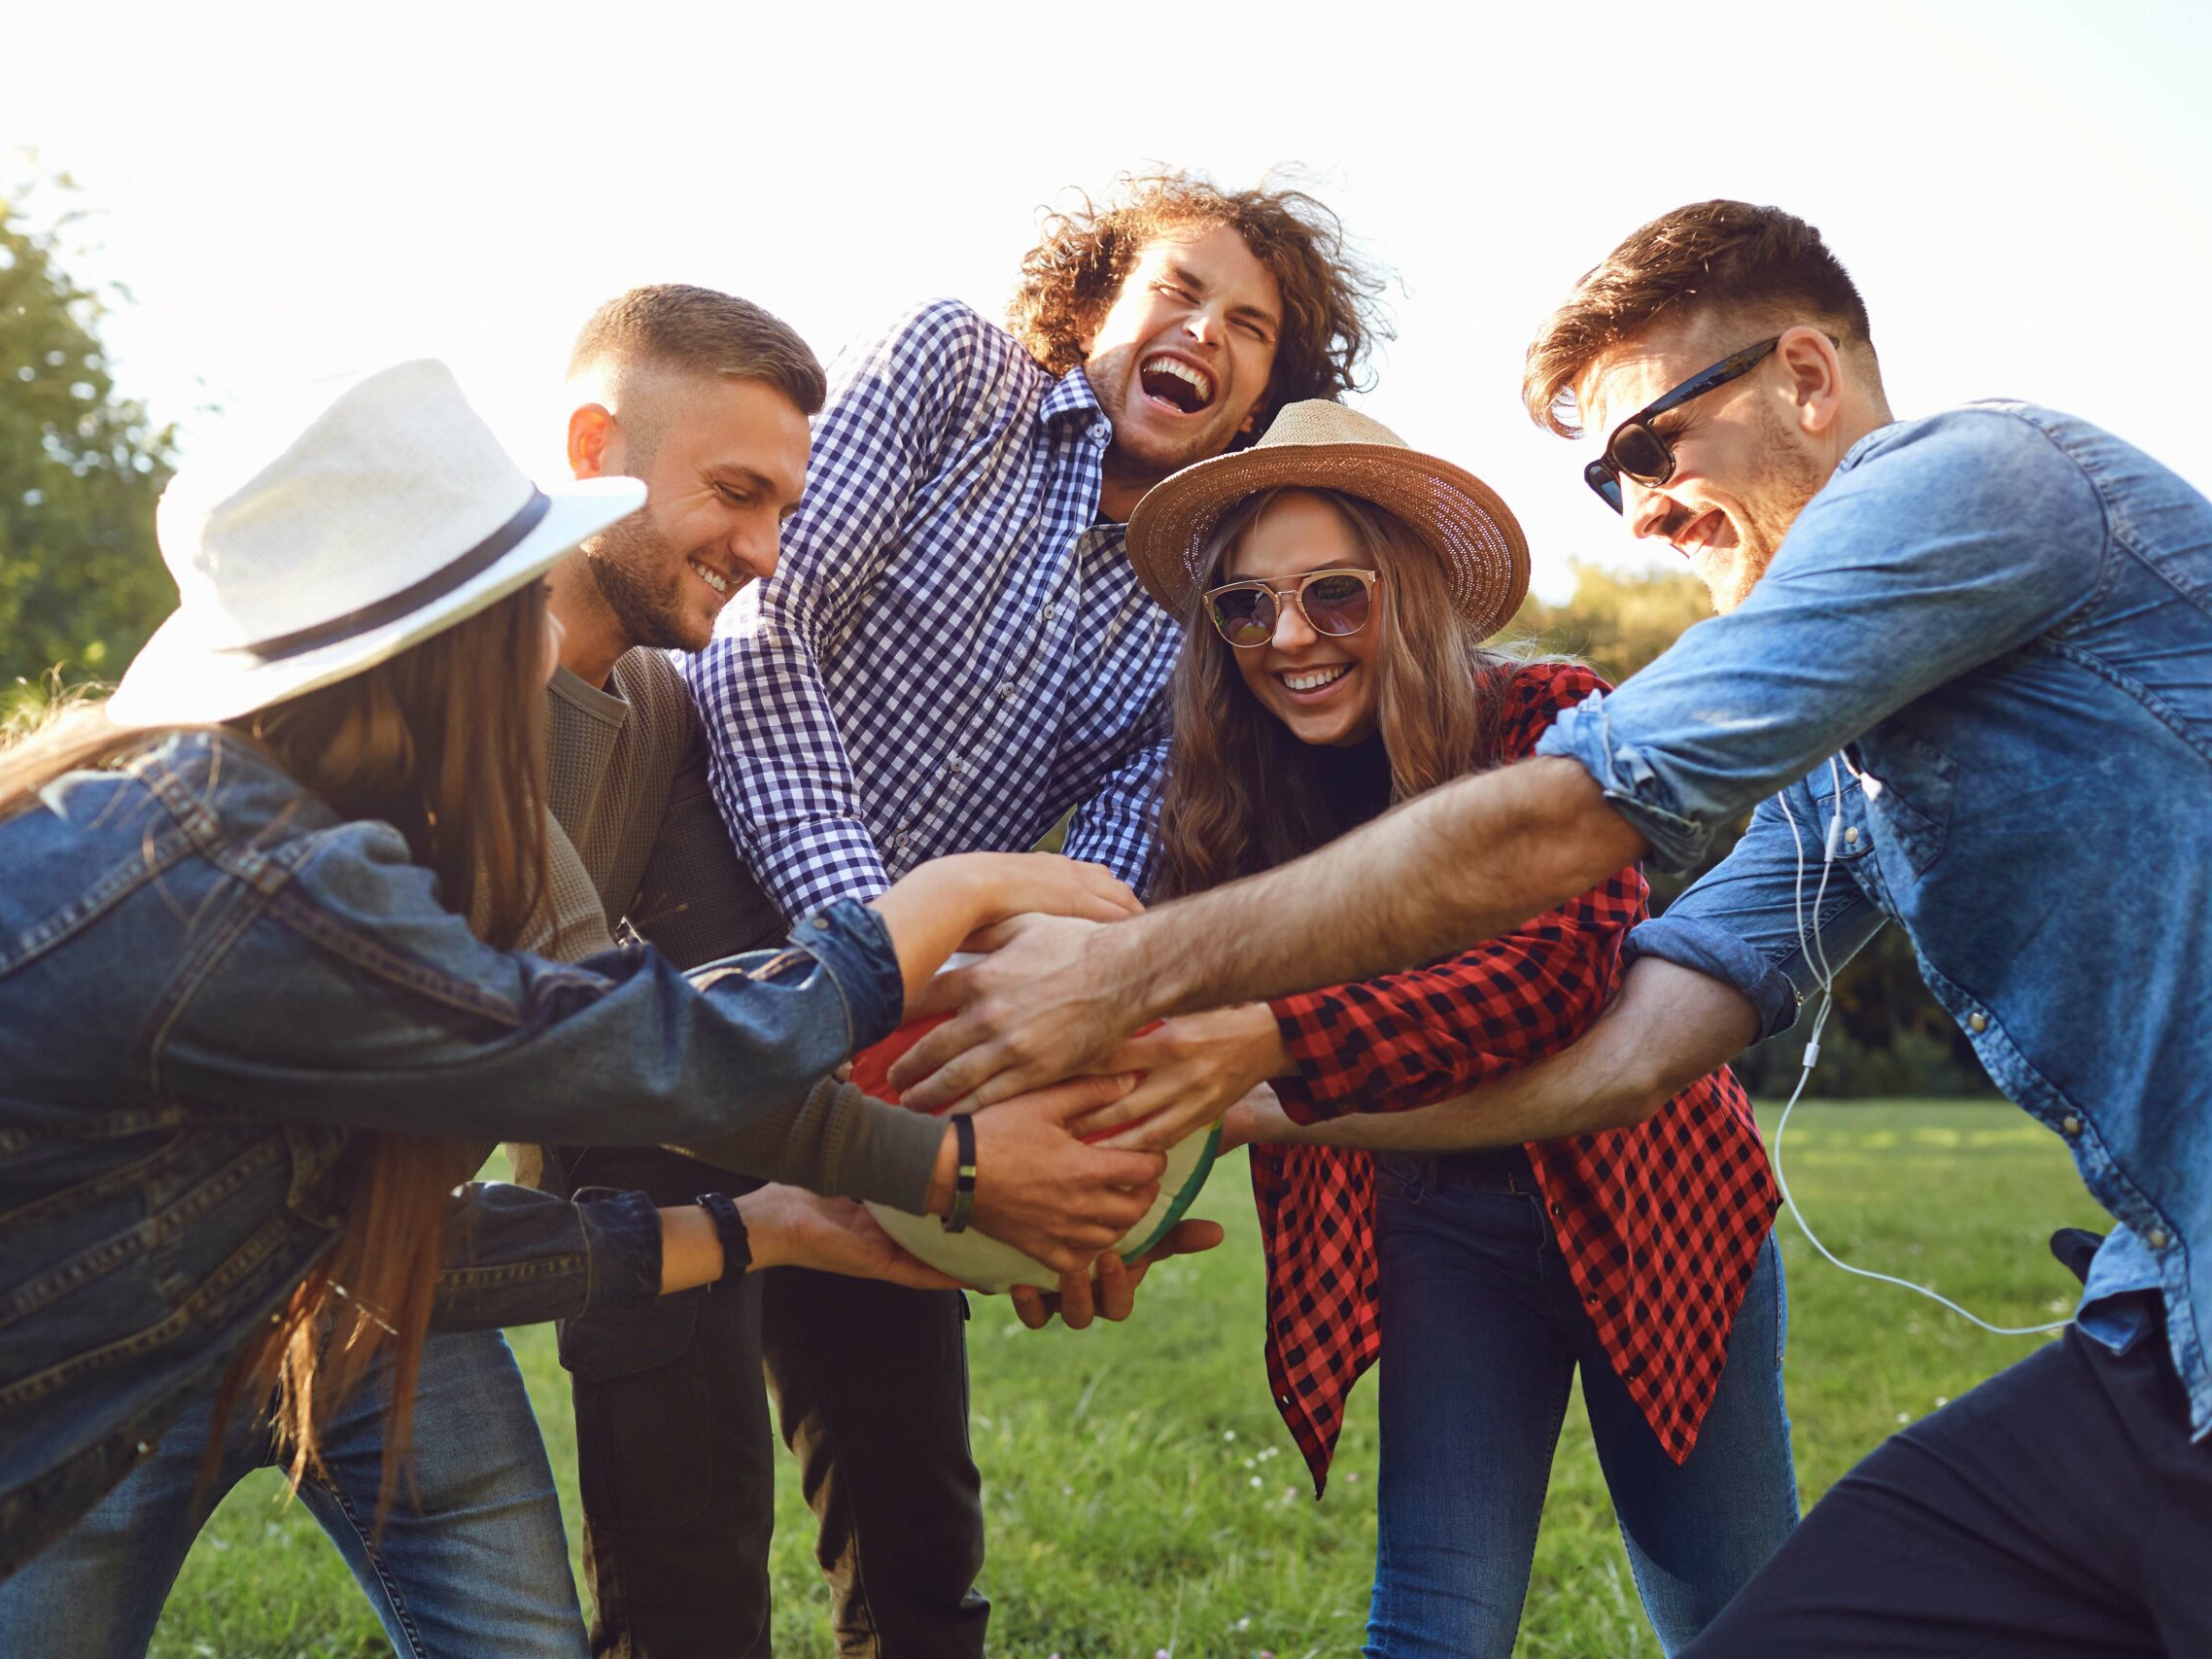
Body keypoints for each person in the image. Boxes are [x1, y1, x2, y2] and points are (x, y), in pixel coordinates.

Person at [899, 199, 2212, 1656]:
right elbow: (1647, 1037)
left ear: (1806, 379)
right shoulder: (1856, 772)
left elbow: (1563, 848)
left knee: (1726, 1591)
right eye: (1607, 477)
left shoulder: (1979, 480)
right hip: (2159, 1333)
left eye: (1652, 445)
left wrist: (1149, 981)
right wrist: (1184, 1137)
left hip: (1800, 1256)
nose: (1639, 509)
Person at [0, 358, 1158, 1659]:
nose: (542, 639)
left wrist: (771, 1226)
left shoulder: (227, 847)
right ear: (447, 654)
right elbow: (634, 1048)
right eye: (516, 609)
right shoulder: (247, 889)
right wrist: (947, 917)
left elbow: (367, 1244)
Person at [543, 172, 1382, 1658]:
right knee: (680, 1439)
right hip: (703, 879)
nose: (1207, 332)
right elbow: (762, 619)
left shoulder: (1208, 601)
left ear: (1267, 387)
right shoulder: (955, 376)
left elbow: (1115, 890)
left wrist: (1095, 1143)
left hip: (927, 975)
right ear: (1099, 304)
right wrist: (869, 941)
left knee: (908, 1467)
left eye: (1252, 328)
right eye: (1178, 291)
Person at [1089, 399, 1793, 1655]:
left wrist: (1277, 1041)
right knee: (1431, 1620)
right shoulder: (1230, 806)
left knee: (1734, 1611)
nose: (1287, 636)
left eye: (1334, 595)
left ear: (1409, 594)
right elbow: (1177, 1039)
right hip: (1430, 1219)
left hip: (1656, 1203)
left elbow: (1551, 978)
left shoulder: (1547, 720)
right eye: (1244, 606)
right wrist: (1111, 1206)